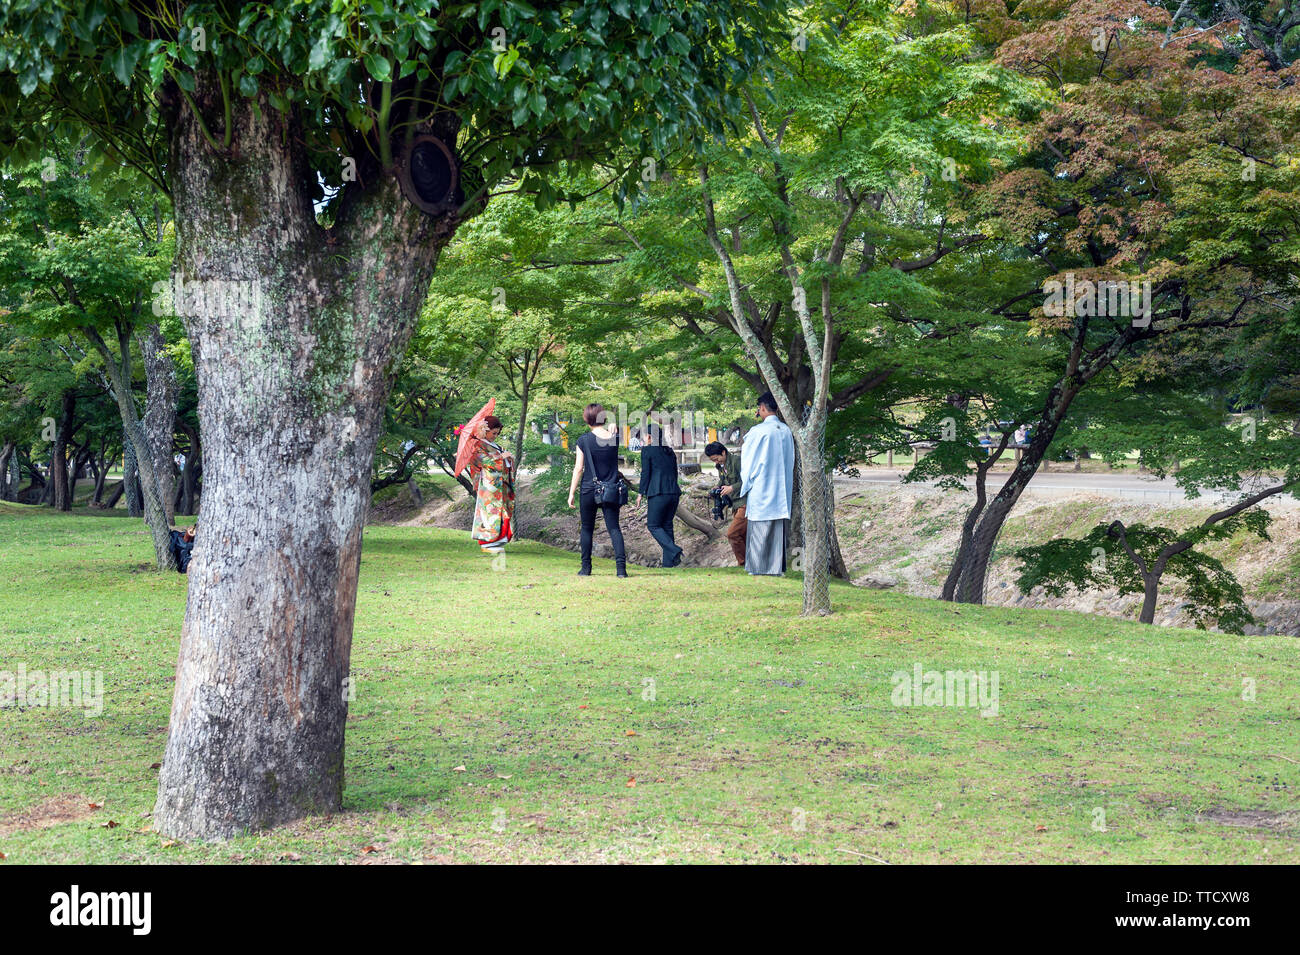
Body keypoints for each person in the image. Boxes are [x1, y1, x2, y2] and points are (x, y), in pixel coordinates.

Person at [568, 402, 628, 577]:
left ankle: (586, 568)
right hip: (611, 489)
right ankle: (621, 570)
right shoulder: (614, 438)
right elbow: (618, 434)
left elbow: (578, 468)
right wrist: (614, 427)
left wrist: (571, 492)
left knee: (587, 528)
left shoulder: (583, 440)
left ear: (586, 418)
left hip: (588, 488)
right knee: (614, 528)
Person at [738, 391, 795, 576]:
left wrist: (746, 482)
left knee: (759, 528)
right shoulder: (786, 430)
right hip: (781, 488)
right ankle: (776, 567)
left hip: (762, 486)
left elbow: (748, 461)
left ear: (762, 408)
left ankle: (757, 567)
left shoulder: (758, 432)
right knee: (777, 530)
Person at [467, 414, 515, 553]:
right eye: (493, 433)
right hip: (489, 486)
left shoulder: (494, 445)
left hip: (501, 485)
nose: (495, 436)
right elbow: (485, 462)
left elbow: (502, 462)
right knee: (490, 513)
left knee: (500, 512)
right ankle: (487, 543)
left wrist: (508, 459)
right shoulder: (478, 445)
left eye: (497, 433)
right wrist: (501, 457)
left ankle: (498, 541)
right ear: (485, 430)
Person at [638, 423, 683, 567]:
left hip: (658, 493)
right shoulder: (669, 451)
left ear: (650, 436)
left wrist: (640, 493)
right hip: (673, 493)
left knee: (654, 526)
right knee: (667, 526)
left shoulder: (647, 450)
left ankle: (674, 550)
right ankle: (670, 563)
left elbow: (645, 474)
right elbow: (675, 474)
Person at [704, 439, 747, 567]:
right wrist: (715, 489)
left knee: (732, 534)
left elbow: (748, 480)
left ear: (723, 452)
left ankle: (743, 563)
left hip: (745, 502)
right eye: (713, 460)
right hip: (735, 504)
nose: (716, 462)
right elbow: (722, 480)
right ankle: (749, 564)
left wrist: (732, 488)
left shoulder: (737, 461)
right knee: (743, 536)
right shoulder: (721, 466)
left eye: (717, 459)